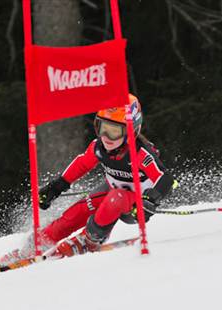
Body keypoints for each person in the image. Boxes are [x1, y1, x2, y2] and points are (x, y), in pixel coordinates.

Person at [24, 94, 175, 258]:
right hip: (110, 191)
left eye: (114, 131)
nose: (106, 138)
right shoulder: (98, 147)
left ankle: (89, 240)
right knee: (78, 212)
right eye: (103, 128)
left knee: (116, 198)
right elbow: (82, 164)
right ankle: (38, 243)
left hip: (134, 205)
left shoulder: (140, 153)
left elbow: (166, 179)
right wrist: (57, 186)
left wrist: (150, 200)